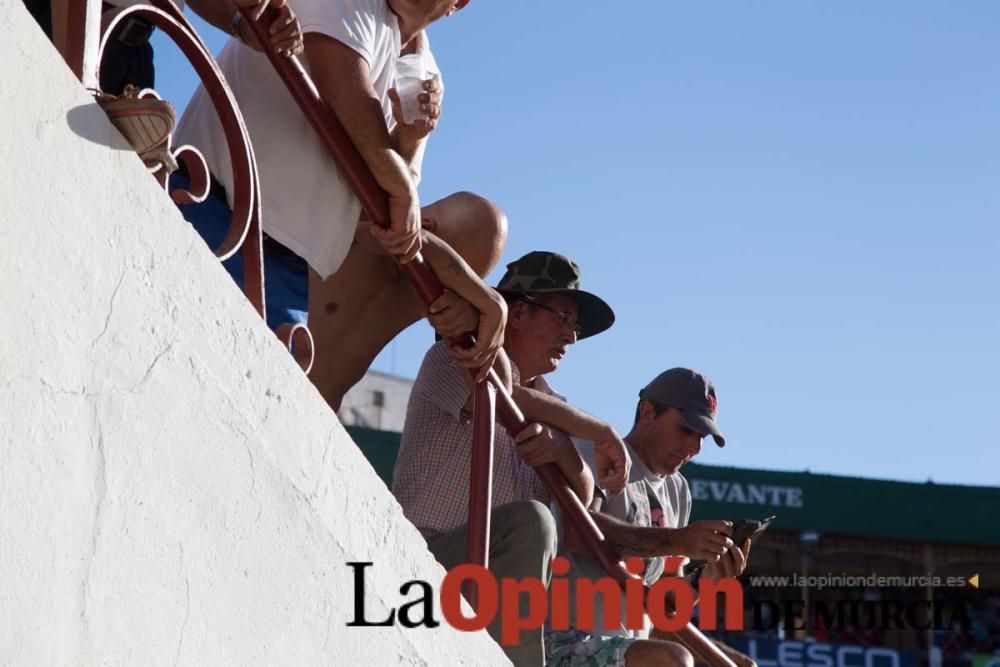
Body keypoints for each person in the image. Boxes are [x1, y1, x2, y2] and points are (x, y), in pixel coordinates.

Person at [175, 0, 507, 407]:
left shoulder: (425, 73)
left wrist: (408, 140)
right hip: (209, 198)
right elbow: (345, 91)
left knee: (230, 413)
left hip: (286, 268)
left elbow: (381, 219)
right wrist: (401, 187)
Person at [393, 250, 630, 666]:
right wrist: (600, 431)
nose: (572, 337)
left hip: (492, 582)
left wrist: (566, 455)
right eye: (563, 318)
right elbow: (506, 394)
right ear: (517, 313)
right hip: (423, 559)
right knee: (531, 521)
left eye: (575, 325)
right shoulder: (455, 352)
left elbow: (587, 503)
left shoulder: (555, 406)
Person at [545, 368, 758, 667]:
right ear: (647, 412)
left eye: (702, 437)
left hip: (623, 649)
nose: (694, 447)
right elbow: (577, 530)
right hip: (560, 640)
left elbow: (662, 607)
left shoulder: (678, 490)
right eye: (686, 429)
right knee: (672, 660)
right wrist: (678, 540)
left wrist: (705, 580)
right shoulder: (597, 451)